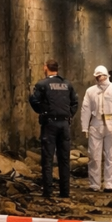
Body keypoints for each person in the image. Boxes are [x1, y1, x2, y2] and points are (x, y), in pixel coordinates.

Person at [28, 59, 79, 198]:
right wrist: (69, 115)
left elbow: (34, 100)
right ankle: (65, 192)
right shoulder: (67, 84)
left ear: (46, 67)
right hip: (64, 125)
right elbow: (75, 102)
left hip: (49, 125)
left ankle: (48, 192)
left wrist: (43, 112)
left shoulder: (42, 84)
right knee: (64, 159)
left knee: (48, 158)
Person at [80, 65, 112, 192]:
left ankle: (109, 184)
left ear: (106, 76)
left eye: (100, 76)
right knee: (94, 156)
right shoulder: (91, 91)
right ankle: (94, 184)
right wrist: (85, 127)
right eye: (97, 76)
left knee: (111, 156)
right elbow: (86, 109)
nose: (98, 78)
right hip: (96, 124)